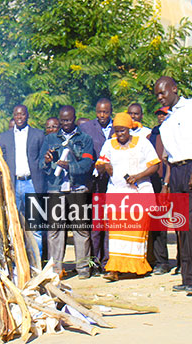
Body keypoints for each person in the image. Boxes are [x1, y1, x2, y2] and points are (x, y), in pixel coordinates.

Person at [154, 76, 192, 296]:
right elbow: (168, 157)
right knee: (181, 226)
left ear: (174, 88)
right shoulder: (167, 121)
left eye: (163, 93)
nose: (160, 97)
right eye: (157, 95)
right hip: (177, 172)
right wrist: (168, 183)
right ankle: (186, 276)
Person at [96, 112, 160, 281]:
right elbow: (100, 164)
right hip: (117, 193)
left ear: (129, 128)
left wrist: (138, 176)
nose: (120, 134)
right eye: (117, 131)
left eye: (123, 130)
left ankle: (136, 268)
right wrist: (105, 165)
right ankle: (115, 269)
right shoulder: (109, 144)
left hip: (139, 193)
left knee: (136, 233)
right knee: (117, 235)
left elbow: (155, 165)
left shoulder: (143, 143)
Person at [40, 105, 94, 279]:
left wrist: (69, 167)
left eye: (69, 120)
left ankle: (83, 268)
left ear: (75, 118)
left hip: (77, 188)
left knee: (81, 230)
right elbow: (42, 164)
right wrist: (47, 161)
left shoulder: (85, 139)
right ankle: (56, 270)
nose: (65, 124)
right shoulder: (49, 139)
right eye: (62, 120)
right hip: (55, 189)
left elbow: (87, 165)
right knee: (55, 230)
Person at [0, 105, 46, 261]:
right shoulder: (4, 137)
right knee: (14, 226)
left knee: (35, 227)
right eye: (16, 114)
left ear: (27, 116)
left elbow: (42, 161)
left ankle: (37, 264)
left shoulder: (38, 135)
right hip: (13, 185)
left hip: (32, 183)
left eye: (22, 114)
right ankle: (18, 264)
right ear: (13, 116)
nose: (19, 117)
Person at [80, 98, 113, 274]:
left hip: (113, 184)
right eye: (99, 111)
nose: (102, 115)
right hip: (93, 184)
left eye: (105, 112)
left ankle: (108, 262)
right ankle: (95, 262)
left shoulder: (118, 129)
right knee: (95, 225)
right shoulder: (86, 129)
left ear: (110, 112)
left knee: (109, 224)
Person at [148, 106, 171, 275]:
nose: (161, 117)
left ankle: (185, 261)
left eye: (165, 114)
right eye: (159, 114)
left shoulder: (177, 132)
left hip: (172, 181)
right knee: (158, 224)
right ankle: (161, 261)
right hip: (155, 183)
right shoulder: (152, 135)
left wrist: (167, 184)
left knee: (181, 223)